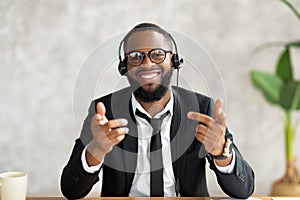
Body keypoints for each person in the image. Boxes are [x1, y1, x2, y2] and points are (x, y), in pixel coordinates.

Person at [61, 23, 255, 199]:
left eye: (157, 54)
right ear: (124, 67)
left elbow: (243, 190)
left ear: (174, 61)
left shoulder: (202, 108)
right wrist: (95, 151)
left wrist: (221, 152)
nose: (147, 63)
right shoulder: (104, 112)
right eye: (136, 57)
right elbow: (71, 190)